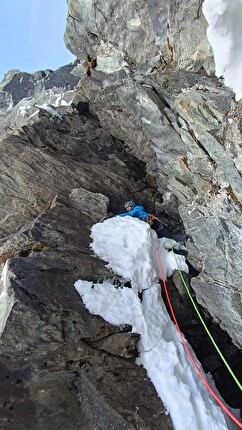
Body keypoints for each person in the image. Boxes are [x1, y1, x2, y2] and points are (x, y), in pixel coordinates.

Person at [117, 200, 188, 244]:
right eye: (126, 209)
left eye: (128, 207)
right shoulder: (138, 210)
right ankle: (182, 239)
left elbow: (130, 215)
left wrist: (116, 216)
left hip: (149, 221)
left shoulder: (136, 209)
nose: (127, 209)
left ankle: (183, 239)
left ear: (131, 206)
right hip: (155, 223)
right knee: (166, 236)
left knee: (165, 236)